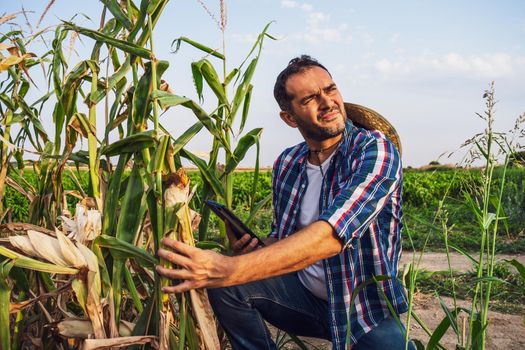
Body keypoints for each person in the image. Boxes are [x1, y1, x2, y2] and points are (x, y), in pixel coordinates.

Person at [156, 55, 414, 349]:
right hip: (304, 300)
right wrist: (255, 248)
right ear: (290, 117)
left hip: (364, 311)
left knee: (229, 274)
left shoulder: (375, 150)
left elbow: (331, 236)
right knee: (228, 288)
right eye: (310, 99)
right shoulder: (288, 163)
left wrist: (229, 268)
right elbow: (286, 237)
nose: (327, 102)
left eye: (330, 90)